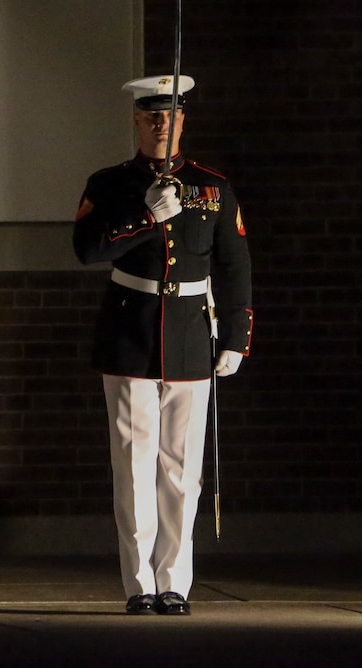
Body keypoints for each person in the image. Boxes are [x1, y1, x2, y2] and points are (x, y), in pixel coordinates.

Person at [73, 75, 253, 615]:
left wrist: (237, 338)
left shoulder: (212, 187)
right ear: (136, 119)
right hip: (130, 333)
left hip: (192, 335)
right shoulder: (109, 185)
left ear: (182, 121)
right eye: (151, 115)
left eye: (170, 116)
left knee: (181, 471)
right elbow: (88, 249)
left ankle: (174, 579)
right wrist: (146, 216)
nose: (160, 124)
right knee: (133, 467)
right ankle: (138, 584)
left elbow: (235, 265)